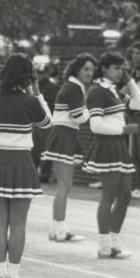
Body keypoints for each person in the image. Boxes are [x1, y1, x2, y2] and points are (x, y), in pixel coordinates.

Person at [0, 54, 51, 278]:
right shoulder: (30, 101)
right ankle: (14, 277)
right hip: (21, 161)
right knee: (18, 224)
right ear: (28, 76)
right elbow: (47, 124)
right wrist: (38, 93)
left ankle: (0, 275)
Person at [83, 52, 140, 258]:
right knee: (109, 194)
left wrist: (130, 80)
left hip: (118, 146)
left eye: (123, 68)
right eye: (117, 68)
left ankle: (114, 242)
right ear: (104, 68)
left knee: (125, 195)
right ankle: (104, 245)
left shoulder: (115, 91)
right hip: (107, 146)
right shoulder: (96, 91)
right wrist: (123, 131)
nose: (121, 72)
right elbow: (95, 125)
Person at [42, 53, 97, 242]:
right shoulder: (73, 87)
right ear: (77, 70)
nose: (90, 73)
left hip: (66, 134)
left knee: (65, 185)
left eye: (91, 70)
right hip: (63, 134)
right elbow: (78, 116)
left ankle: (57, 228)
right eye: (86, 69)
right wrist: (92, 110)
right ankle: (59, 230)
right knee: (64, 185)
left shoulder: (75, 86)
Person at [128, 42, 140, 199]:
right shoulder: (133, 71)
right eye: (133, 53)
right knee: (133, 154)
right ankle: (139, 186)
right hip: (133, 115)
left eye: (138, 53)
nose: (135, 56)